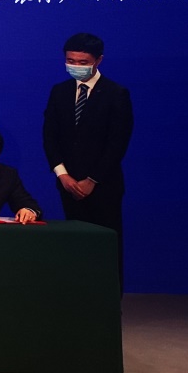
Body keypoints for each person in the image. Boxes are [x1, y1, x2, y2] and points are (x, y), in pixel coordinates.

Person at [43, 33, 133, 259]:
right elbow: (50, 136)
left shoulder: (116, 94)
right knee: (75, 248)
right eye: (70, 61)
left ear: (98, 60)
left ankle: (108, 284)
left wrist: (92, 180)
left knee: (105, 249)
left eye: (82, 62)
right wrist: (62, 175)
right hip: (68, 185)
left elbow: (117, 143)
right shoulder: (59, 91)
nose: (76, 66)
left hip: (104, 186)